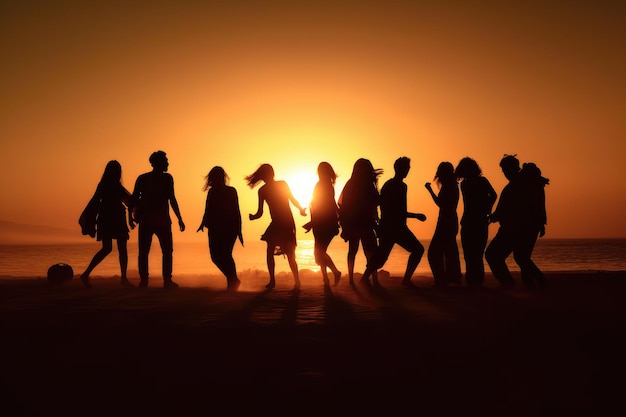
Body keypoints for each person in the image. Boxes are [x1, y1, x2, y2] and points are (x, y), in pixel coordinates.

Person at [359, 157, 426, 288]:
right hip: (395, 228)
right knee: (416, 250)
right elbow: (397, 210)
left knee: (381, 258)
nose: (408, 170)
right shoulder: (398, 186)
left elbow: (387, 207)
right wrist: (416, 215)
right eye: (406, 168)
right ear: (400, 169)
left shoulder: (389, 185)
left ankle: (365, 278)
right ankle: (404, 280)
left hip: (390, 227)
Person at [486, 155, 549, 289]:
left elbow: (511, 208)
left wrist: (494, 216)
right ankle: (535, 284)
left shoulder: (518, 185)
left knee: (493, 255)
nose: (504, 173)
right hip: (528, 227)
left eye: (505, 169)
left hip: (514, 228)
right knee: (522, 258)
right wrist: (540, 224)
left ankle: (509, 282)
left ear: (512, 168)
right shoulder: (529, 182)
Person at [129, 150, 185, 289]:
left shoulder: (167, 178)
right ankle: (147, 280)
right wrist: (129, 217)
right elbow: (134, 199)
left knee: (164, 251)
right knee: (147, 251)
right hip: (151, 221)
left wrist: (179, 218)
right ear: (157, 163)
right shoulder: (144, 178)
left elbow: (172, 199)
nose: (167, 163)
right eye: (165, 161)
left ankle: (165, 280)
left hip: (160, 220)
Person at [246, 163, 307, 289]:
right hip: (280, 222)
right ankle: (278, 281)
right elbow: (261, 212)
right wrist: (253, 216)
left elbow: (292, 199)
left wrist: (301, 209)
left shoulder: (269, 188)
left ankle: (292, 281)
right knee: (274, 251)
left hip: (284, 222)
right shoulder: (269, 188)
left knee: (286, 252)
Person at [79, 160, 133, 288]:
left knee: (114, 249)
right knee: (115, 249)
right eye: (117, 171)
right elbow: (95, 202)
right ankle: (87, 274)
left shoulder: (110, 185)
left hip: (112, 218)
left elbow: (129, 201)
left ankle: (123, 278)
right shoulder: (107, 185)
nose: (119, 173)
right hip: (110, 219)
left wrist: (130, 218)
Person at [197, 166, 243, 292]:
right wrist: (202, 223)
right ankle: (233, 279)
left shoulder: (231, 191)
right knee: (216, 256)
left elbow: (236, 211)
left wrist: (239, 230)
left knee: (225, 255)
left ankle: (232, 281)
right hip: (215, 227)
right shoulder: (212, 192)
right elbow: (208, 209)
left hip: (229, 228)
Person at [337, 158, 382, 286]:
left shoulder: (352, 184)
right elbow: (375, 202)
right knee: (368, 251)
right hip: (362, 222)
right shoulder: (366, 184)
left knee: (355, 251)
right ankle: (372, 279)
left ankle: (354, 279)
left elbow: (343, 205)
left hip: (357, 222)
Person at [454, 157, 497, 287]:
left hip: (472, 221)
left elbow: (493, 195)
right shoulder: (471, 183)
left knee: (473, 254)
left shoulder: (467, 184)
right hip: (475, 220)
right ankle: (475, 281)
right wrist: (487, 209)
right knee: (475, 254)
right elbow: (493, 195)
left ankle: (474, 281)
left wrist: (487, 209)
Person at [303, 162, 342, 287]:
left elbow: (325, 206)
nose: (319, 174)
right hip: (320, 223)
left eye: (321, 172)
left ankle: (335, 273)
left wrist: (312, 223)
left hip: (324, 223)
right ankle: (325, 279)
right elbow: (327, 205)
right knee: (319, 253)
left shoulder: (323, 186)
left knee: (319, 253)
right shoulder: (325, 185)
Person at [425, 161, 463, 288]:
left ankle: (441, 279)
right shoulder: (452, 185)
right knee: (448, 251)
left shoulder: (449, 186)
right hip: (450, 221)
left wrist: (430, 190)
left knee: (434, 252)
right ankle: (448, 277)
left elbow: (441, 203)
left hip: (446, 222)